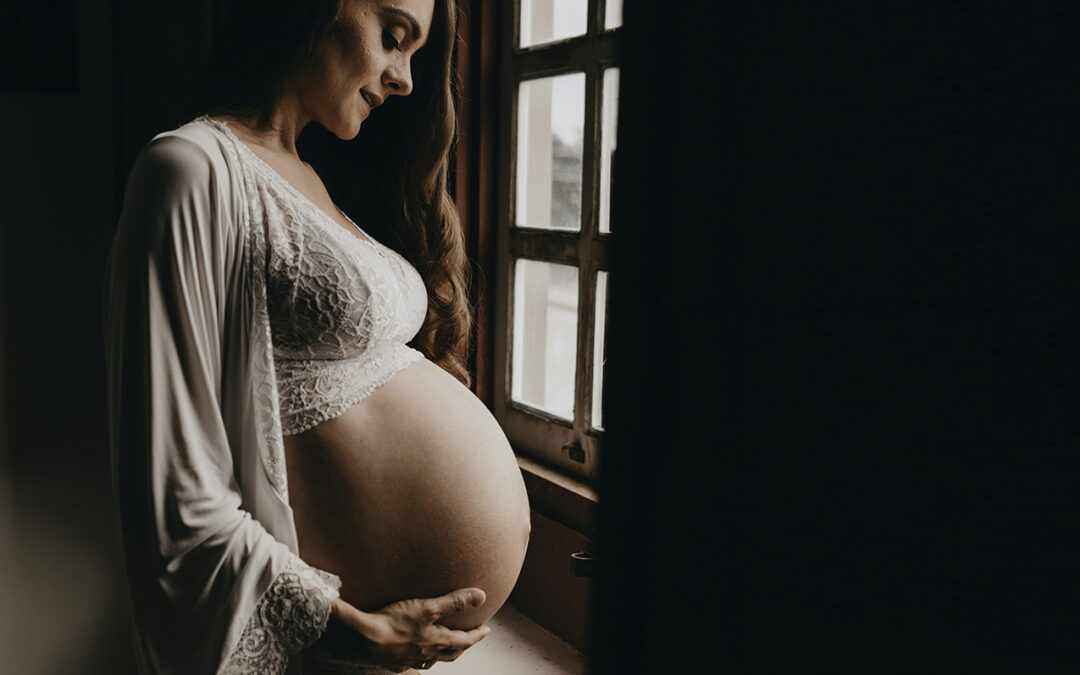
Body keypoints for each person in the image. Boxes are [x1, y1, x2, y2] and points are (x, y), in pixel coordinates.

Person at [101, 1, 531, 673]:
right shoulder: (189, 170)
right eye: (394, 38)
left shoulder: (314, 174)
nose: (405, 79)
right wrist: (352, 631)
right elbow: (171, 494)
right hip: (326, 643)